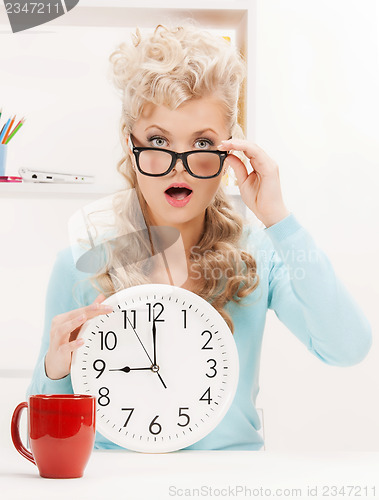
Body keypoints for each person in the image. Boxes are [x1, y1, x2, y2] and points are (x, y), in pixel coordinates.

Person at [27, 23, 372, 451]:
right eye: (158, 140)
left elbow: (347, 347)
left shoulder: (260, 254)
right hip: (116, 483)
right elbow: (43, 432)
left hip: (232, 482)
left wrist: (278, 219)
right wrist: (55, 368)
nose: (179, 166)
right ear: (129, 147)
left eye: (202, 143)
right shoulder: (79, 263)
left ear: (230, 152)